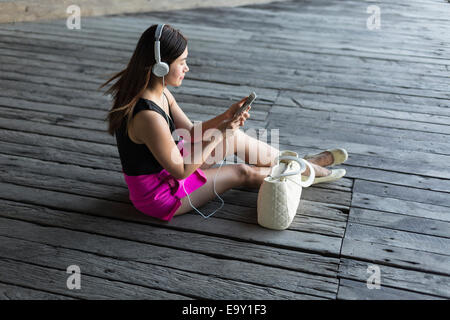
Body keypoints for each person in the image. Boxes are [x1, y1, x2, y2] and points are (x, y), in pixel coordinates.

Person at [100, 24, 346, 222]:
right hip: (161, 194)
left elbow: (190, 132)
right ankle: (305, 170)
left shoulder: (160, 91)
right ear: (162, 66)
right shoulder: (147, 116)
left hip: (172, 164)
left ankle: (302, 166)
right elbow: (181, 170)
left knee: (235, 137)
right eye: (182, 61)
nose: (187, 67)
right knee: (242, 172)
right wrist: (219, 132)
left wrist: (225, 118)